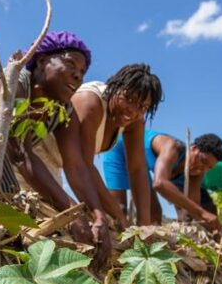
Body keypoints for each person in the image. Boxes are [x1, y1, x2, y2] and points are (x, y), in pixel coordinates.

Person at [0, 31, 112, 264]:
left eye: (82, 72)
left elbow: (76, 166)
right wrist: (71, 214)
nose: (78, 75)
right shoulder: (15, 86)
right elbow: (20, 156)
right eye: (70, 64)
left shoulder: (63, 110)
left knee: (9, 198)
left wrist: (98, 215)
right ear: (41, 60)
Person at [21, 64, 163, 228]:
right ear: (115, 87)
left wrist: (143, 225)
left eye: (142, 107)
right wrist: (117, 214)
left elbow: (138, 169)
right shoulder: (90, 103)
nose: (132, 111)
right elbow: (82, 166)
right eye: (128, 99)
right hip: (31, 159)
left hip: (56, 168)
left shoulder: (135, 120)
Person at [104, 130, 222, 233]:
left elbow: (193, 206)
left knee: (154, 214)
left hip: (140, 163)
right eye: (203, 161)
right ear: (193, 149)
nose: (202, 168)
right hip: (119, 150)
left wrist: (214, 231)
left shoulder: (197, 171)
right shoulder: (173, 147)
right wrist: (203, 213)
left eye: (208, 167)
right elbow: (160, 184)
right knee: (119, 210)